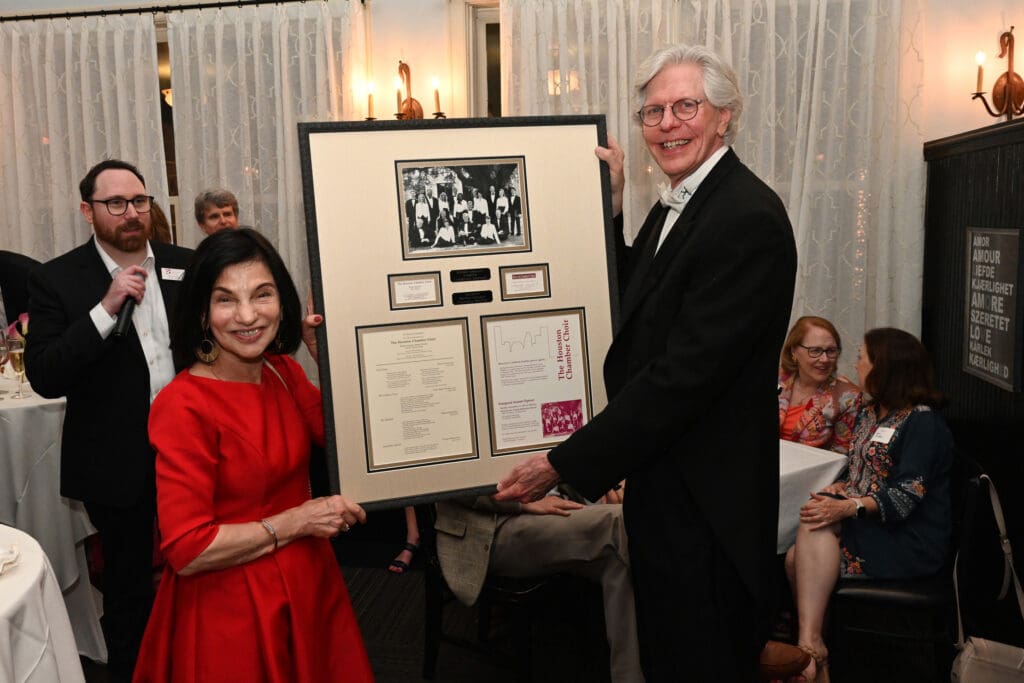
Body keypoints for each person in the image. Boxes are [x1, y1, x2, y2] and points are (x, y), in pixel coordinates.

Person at [494, 44, 799, 681]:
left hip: (708, 508)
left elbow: (682, 377)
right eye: (653, 112)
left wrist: (561, 463)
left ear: (725, 116)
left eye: (685, 106)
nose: (667, 124)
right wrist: (610, 208)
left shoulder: (747, 217)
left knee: (700, 659)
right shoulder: (678, 202)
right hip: (667, 492)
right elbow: (638, 300)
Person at [133, 228, 373, 682]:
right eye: (226, 300)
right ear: (202, 312)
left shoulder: (282, 370)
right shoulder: (183, 404)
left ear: (282, 302)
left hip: (307, 582)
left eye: (262, 295)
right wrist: (299, 521)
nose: (247, 315)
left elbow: (356, 443)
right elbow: (188, 548)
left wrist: (326, 358)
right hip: (232, 605)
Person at [26, 159, 193, 681]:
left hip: (191, 447)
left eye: (139, 201)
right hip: (115, 457)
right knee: (127, 586)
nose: (130, 213)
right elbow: (46, 375)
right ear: (87, 211)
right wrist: (105, 308)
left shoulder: (183, 263)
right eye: (115, 203)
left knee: (201, 565)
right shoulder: (58, 278)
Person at [784, 328, 953, 682]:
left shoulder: (922, 423)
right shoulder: (872, 411)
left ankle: (810, 650)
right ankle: (818, 650)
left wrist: (848, 507)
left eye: (862, 357)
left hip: (906, 538)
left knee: (808, 540)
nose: (855, 364)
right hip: (872, 524)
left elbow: (906, 496)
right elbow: (863, 474)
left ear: (885, 368)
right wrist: (840, 488)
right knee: (797, 551)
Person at [435, 488, 643, 682]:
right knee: (621, 522)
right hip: (490, 524)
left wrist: (609, 484)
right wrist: (523, 503)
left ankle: (630, 676)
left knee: (619, 559)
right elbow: (450, 483)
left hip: (559, 500)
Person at [778, 316, 862, 452]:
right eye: (815, 351)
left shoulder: (848, 397)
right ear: (794, 351)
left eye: (831, 351)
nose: (825, 359)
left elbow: (841, 457)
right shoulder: (778, 378)